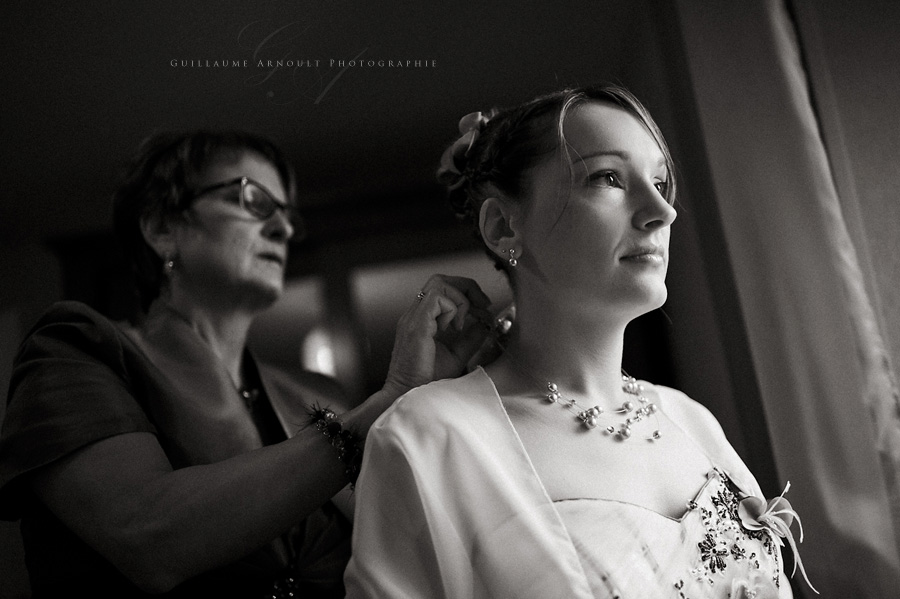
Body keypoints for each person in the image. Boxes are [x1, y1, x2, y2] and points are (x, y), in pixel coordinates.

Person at [343, 85, 816, 598]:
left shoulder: (692, 419)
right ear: (503, 227)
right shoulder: (431, 435)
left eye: (661, 182)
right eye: (608, 178)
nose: (663, 211)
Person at [0, 130, 493, 597]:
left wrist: (440, 399)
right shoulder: (77, 348)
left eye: (286, 214)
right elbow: (147, 536)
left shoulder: (318, 394)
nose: (282, 228)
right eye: (252, 200)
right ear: (162, 228)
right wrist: (386, 403)